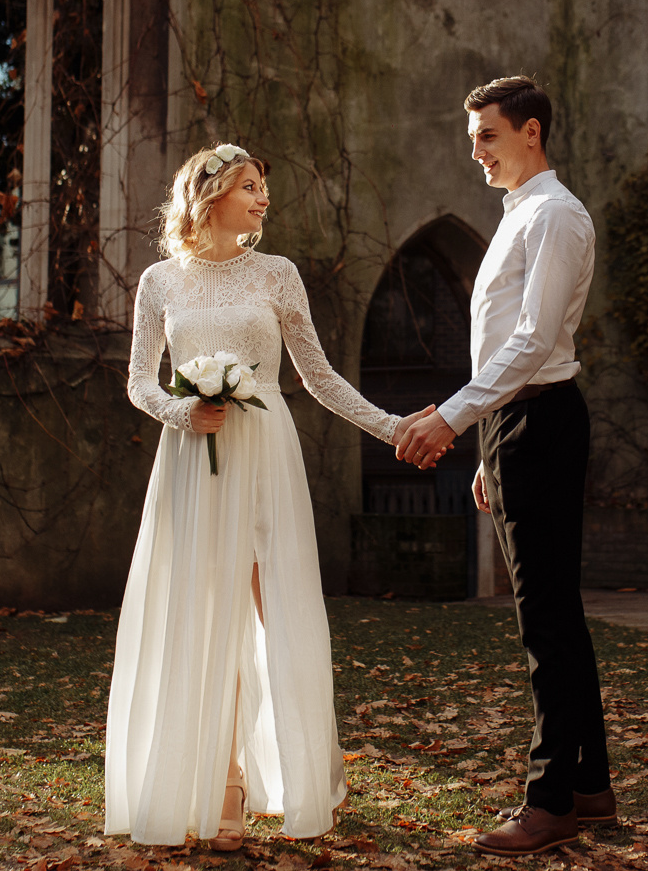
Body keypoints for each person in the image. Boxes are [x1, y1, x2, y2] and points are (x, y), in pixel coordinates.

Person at [107, 144, 434, 850]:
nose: (263, 198)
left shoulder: (278, 274)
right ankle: (220, 798)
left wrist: (390, 427)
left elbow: (316, 376)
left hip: (266, 456)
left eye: (264, 186)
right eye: (250, 185)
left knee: (276, 613)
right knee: (200, 619)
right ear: (211, 192)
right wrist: (181, 412)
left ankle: (302, 781)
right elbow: (139, 381)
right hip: (196, 458)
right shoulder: (160, 282)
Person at [394, 76, 613, 857]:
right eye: (472, 139)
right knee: (556, 611)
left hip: (543, 418)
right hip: (520, 422)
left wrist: (453, 418)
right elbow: (506, 346)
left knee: (544, 622)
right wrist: (490, 445)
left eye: (487, 135)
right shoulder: (520, 214)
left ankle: (549, 797)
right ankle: (589, 786)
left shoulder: (556, 214)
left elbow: (532, 341)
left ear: (531, 132)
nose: (476, 152)